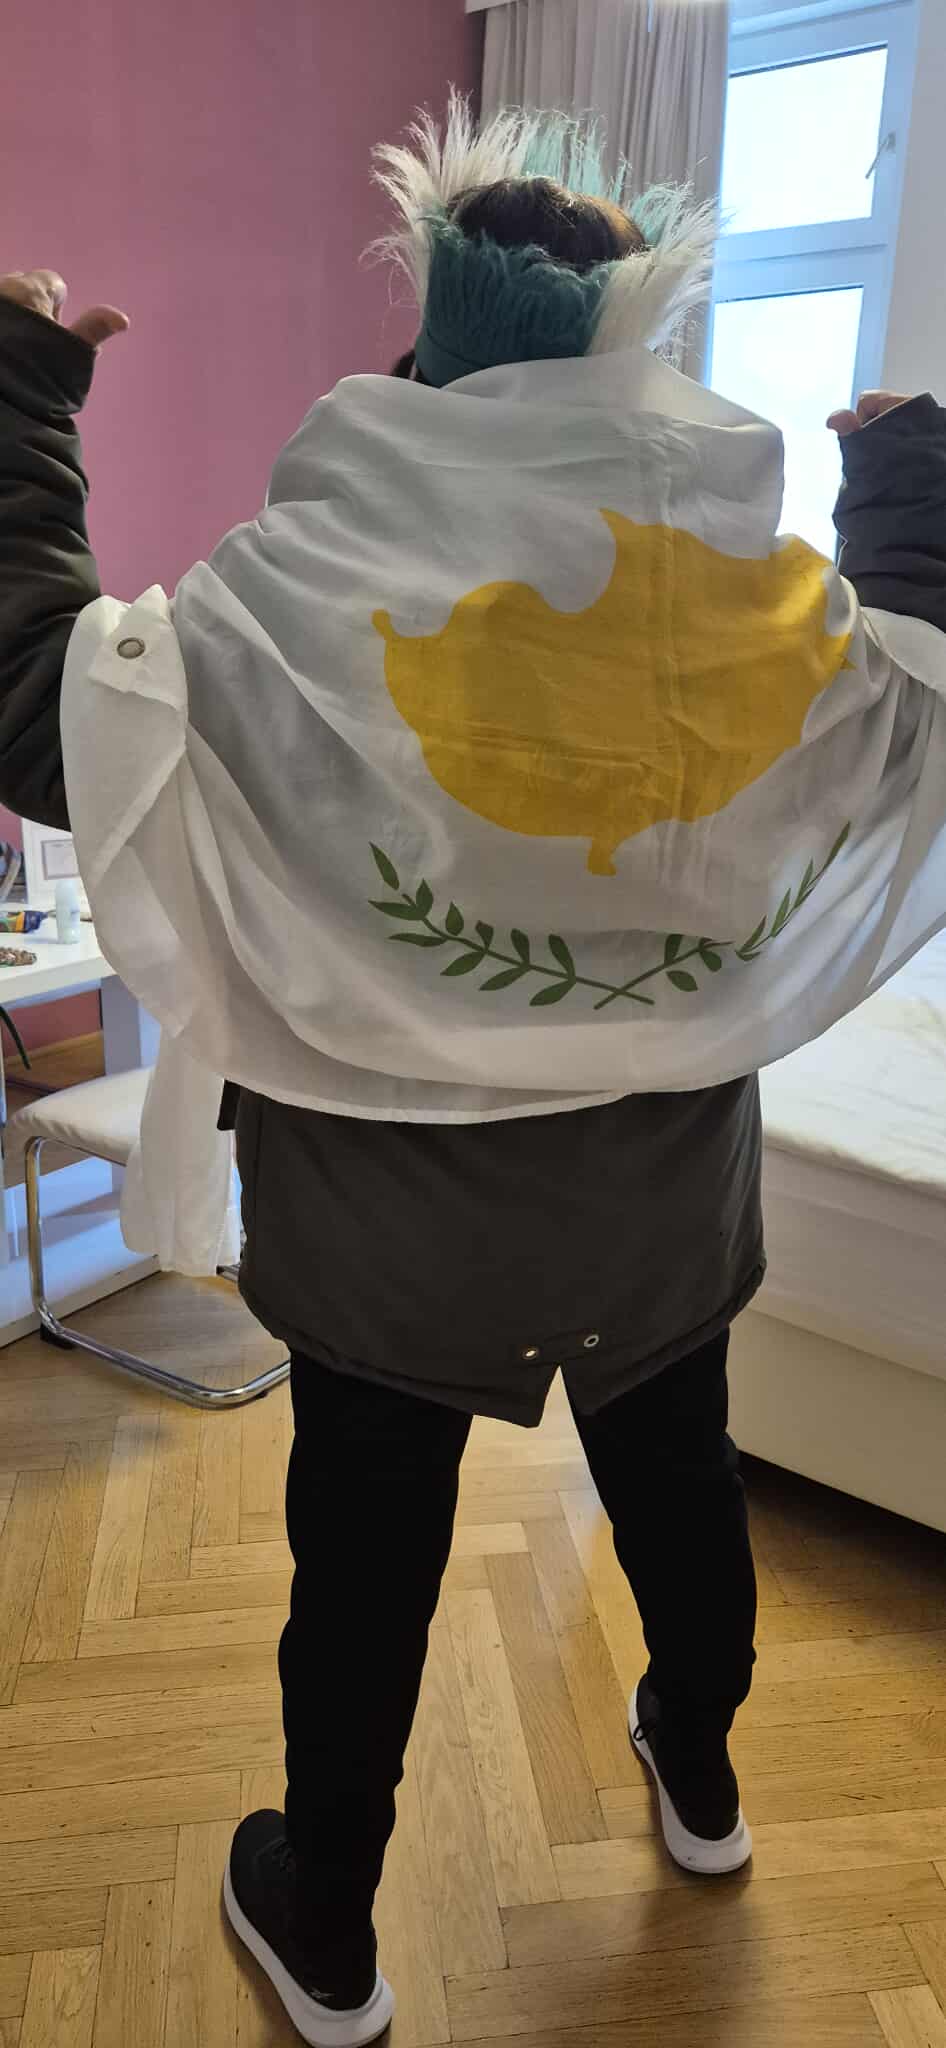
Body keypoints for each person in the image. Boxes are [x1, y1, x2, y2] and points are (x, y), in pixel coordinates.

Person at [1, 96, 945, 2048]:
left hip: (388, 1238)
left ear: (428, 351)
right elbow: (911, 693)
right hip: (660, 1214)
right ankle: (700, 1776)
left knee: (365, 1560)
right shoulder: (741, 607)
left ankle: (331, 1929)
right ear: (631, 354)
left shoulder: (295, 600)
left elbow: (45, 710)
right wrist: (905, 489)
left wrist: (18, 408)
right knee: (681, 1490)